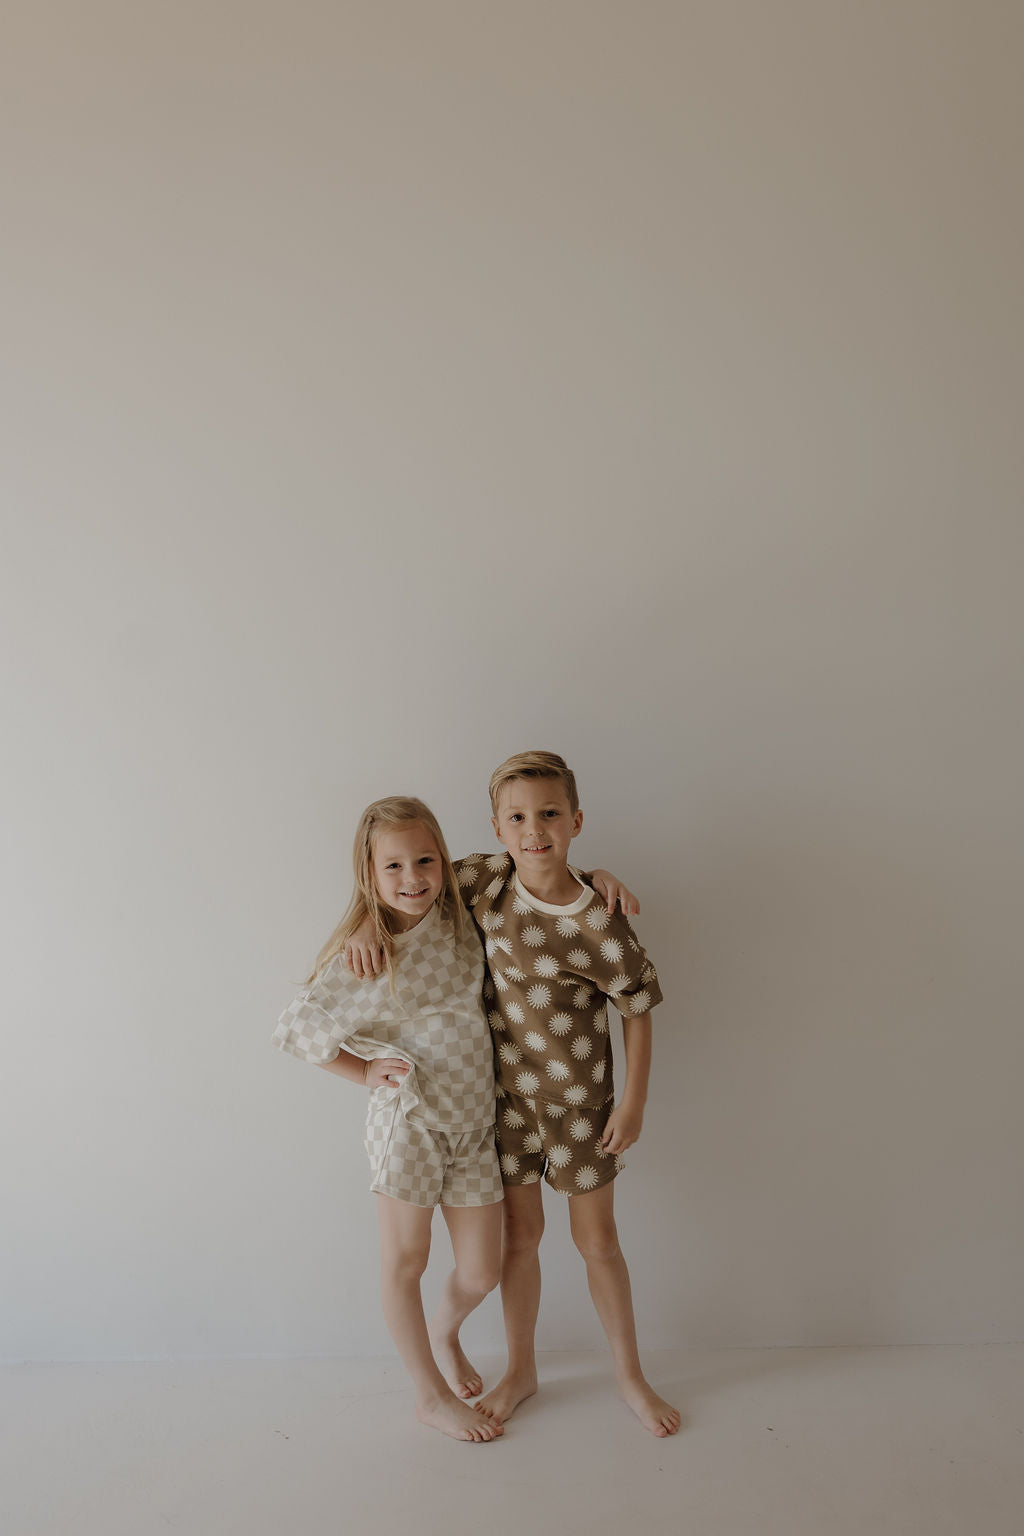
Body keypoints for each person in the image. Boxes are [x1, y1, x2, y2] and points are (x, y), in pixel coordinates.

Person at [346, 753, 681, 1438]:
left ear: (576, 821)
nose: (535, 831)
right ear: (497, 828)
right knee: (520, 1242)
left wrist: (633, 1103)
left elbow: (637, 1009)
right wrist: (362, 926)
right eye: (519, 818)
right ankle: (521, 1368)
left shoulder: (602, 917)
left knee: (598, 1243)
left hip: (584, 1109)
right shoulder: (482, 882)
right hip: (505, 1108)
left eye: (550, 815)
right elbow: (405, 885)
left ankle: (630, 1375)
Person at [272, 796, 506, 1444]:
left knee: (482, 1271)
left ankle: (444, 1331)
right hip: (408, 1122)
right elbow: (295, 1029)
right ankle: (429, 1394)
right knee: (407, 1258)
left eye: (424, 860)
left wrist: (600, 880)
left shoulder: (460, 902)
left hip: (472, 1123)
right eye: (394, 867)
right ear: (370, 875)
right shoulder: (363, 956)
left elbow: (529, 861)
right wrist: (362, 1072)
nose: (413, 878)